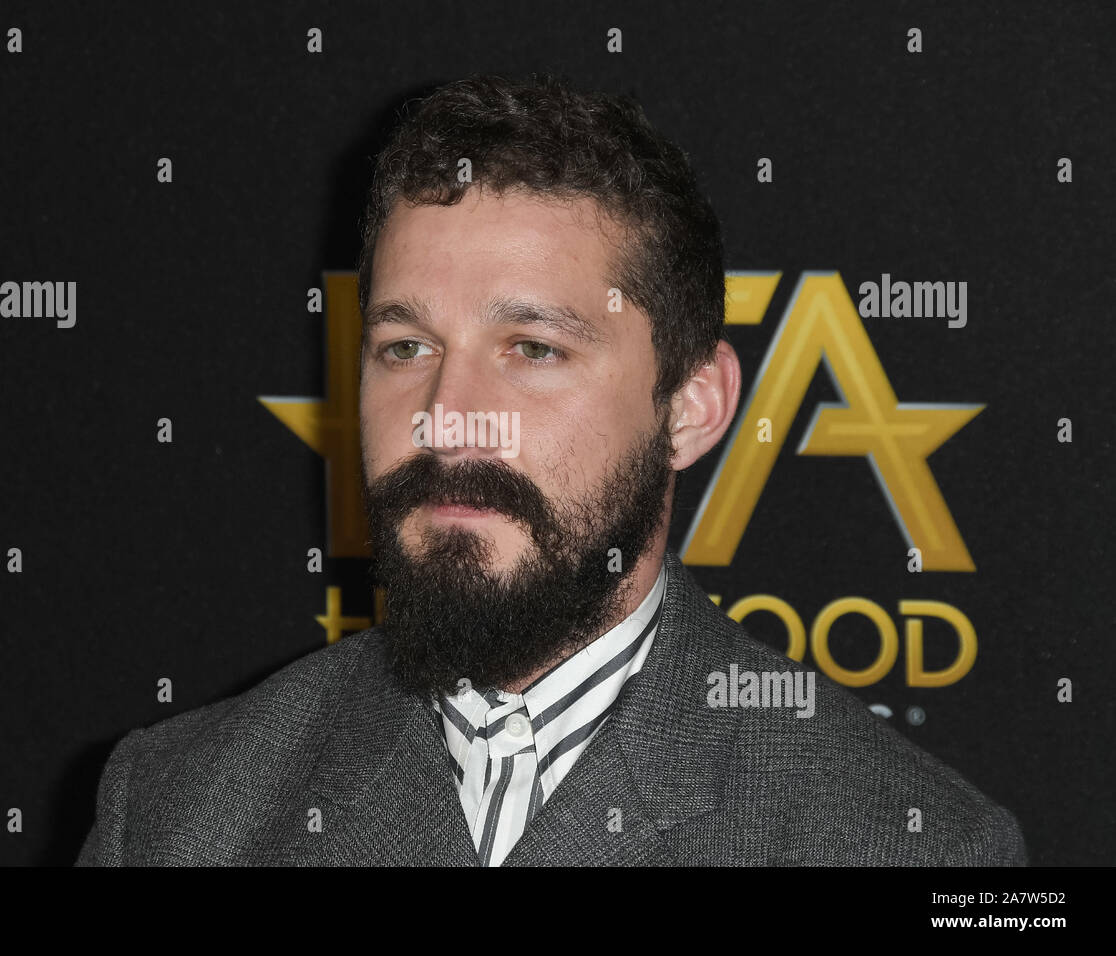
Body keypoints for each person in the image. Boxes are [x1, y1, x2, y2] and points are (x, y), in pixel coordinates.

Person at [75, 72, 1026, 866]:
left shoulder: (908, 847)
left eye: (531, 348)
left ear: (691, 405)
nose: (447, 420)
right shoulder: (177, 814)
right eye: (405, 347)